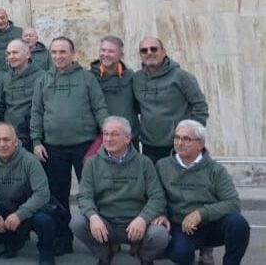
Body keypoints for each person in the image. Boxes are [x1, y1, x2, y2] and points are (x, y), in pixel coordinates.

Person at [30, 36, 109, 255]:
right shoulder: (43, 80)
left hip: (86, 147)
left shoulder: (87, 79)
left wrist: (108, 136)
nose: (58, 56)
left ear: (73, 54)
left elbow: (100, 108)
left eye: (62, 52)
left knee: (93, 192)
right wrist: (37, 141)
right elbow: (36, 112)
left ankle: (101, 240)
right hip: (54, 147)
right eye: (54, 52)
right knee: (58, 196)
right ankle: (63, 239)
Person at [71, 116, 170, 265]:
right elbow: (84, 196)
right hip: (106, 223)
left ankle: (143, 256)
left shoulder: (144, 163)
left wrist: (143, 218)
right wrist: (93, 217)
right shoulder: (92, 163)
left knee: (159, 235)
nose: (108, 138)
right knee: (77, 223)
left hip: (136, 224)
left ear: (128, 138)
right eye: (105, 133)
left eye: (114, 134)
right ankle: (105, 254)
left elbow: (157, 197)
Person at [156, 119, 249, 265]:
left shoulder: (215, 170)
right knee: (179, 253)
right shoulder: (162, 166)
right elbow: (156, 196)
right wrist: (161, 213)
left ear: (200, 144)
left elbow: (233, 203)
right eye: (177, 137)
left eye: (186, 139)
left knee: (238, 224)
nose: (179, 143)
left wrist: (201, 214)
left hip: (210, 225)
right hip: (180, 226)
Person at [0, 122, 57, 264]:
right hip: (3, 209)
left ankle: (46, 251)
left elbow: (42, 193)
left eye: (6, 139)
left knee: (45, 221)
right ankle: (11, 242)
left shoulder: (30, 161)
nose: (2, 144)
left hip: (26, 210)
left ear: (15, 141)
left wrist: (19, 215)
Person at [133, 37, 209, 163]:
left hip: (179, 146)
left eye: (154, 49)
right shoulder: (137, 79)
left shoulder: (181, 76)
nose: (149, 53)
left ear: (163, 51)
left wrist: (192, 135)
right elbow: (137, 108)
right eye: (144, 51)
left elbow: (200, 106)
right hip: (149, 146)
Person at [92, 36, 140, 144]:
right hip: (102, 138)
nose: (106, 54)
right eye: (103, 50)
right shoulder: (90, 77)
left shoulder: (130, 76)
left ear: (121, 55)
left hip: (129, 138)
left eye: (111, 51)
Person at [0, 39, 45, 146]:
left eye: (15, 52)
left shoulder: (42, 77)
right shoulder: (5, 78)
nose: (11, 57)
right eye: (8, 54)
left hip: (32, 137)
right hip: (10, 137)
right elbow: (1, 107)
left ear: (27, 54)